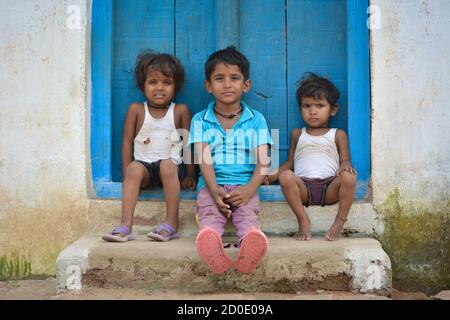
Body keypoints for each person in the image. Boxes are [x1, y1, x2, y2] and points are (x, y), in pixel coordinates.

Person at [189, 46, 272, 274]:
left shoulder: (256, 120)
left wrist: (249, 189)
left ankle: (250, 244)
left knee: (247, 217)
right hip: (211, 184)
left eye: (234, 78)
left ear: (246, 85)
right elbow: (203, 159)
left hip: (245, 185)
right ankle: (209, 240)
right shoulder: (200, 120)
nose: (227, 84)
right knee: (209, 213)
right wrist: (214, 189)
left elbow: (263, 160)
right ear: (208, 85)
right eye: (219, 78)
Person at [102, 51, 196, 242]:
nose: (159, 88)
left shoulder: (180, 111)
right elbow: (127, 142)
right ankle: (126, 226)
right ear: (142, 85)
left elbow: (188, 144)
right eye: (153, 82)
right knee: (135, 168)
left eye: (167, 83)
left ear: (176, 86)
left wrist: (190, 175)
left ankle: (171, 223)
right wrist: (127, 172)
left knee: (168, 165)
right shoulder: (136, 110)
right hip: (144, 169)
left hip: (170, 170)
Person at [264, 73, 357, 241]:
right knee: (286, 176)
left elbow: (345, 160)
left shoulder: (338, 134)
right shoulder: (298, 134)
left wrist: (345, 166)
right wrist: (271, 177)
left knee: (350, 177)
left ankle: (339, 222)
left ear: (333, 110)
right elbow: (291, 162)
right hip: (303, 187)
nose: (312, 111)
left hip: (330, 187)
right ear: (300, 108)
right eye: (306, 106)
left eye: (319, 106)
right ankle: (303, 220)